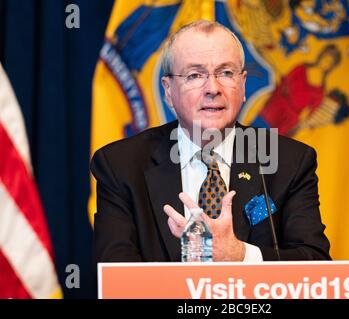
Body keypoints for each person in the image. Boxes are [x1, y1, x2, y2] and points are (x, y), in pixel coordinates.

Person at [90, 20, 331, 263]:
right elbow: (114, 275)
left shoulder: (289, 161)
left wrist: (241, 256)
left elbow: (315, 264)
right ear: (168, 91)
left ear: (243, 85)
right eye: (195, 75)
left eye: (226, 73)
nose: (213, 88)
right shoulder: (121, 166)